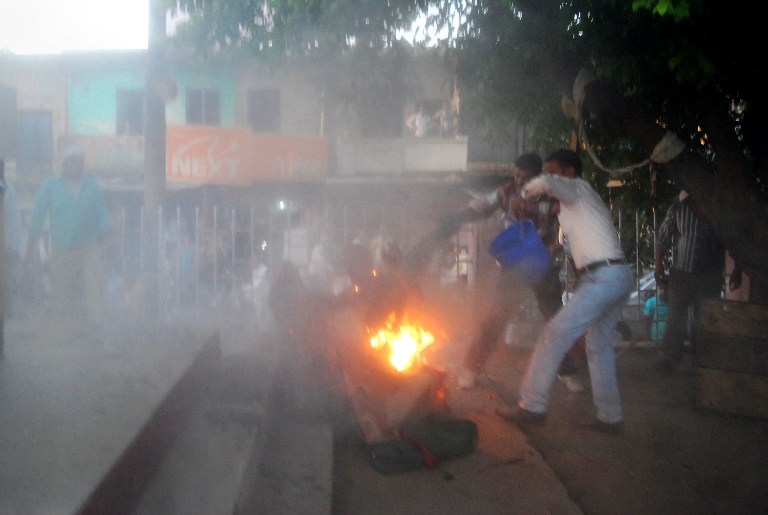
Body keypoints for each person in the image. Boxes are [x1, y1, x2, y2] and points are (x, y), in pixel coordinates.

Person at [499, 148, 634, 435]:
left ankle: (531, 406)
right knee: (599, 347)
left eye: (553, 171)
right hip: (614, 275)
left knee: (554, 334)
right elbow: (567, 245)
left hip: (604, 277)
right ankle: (610, 417)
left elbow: (547, 185)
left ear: (570, 173)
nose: (547, 177)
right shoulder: (573, 209)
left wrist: (524, 196)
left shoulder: (579, 188)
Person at [442, 153, 563, 389]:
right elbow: (482, 206)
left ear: (537, 178)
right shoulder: (507, 192)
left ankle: (569, 372)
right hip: (514, 265)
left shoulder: (552, 197)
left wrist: (555, 247)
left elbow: (566, 229)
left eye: (524, 177)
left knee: (556, 319)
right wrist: (457, 217)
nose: (518, 181)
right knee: (495, 317)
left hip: (541, 263)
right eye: (516, 175)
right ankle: (471, 369)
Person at [26, 145, 112, 339]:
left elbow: (102, 213)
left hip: (88, 245)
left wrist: (107, 234)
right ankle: (62, 330)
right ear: (64, 163)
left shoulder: (92, 186)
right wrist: (31, 243)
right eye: (72, 160)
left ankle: (96, 327)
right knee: (61, 290)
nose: (76, 164)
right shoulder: (50, 186)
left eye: (79, 160)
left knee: (93, 285)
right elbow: (38, 215)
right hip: (61, 246)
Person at [654, 190, 725, 374]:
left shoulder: (719, 211)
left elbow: (730, 240)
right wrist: (658, 266)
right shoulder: (678, 209)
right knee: (675, 317)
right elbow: (662, 238)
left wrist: (736, 271)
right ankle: (670, 359)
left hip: (710, 276)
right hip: (681, 275)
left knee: (705, 319)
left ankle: (703, 362)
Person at [644, 277, 669, 343]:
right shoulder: (651, 302)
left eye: (666, 288)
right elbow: (647, 322)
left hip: (673, 339)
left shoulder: (676, 302)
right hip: (656, 339)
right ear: (658, 288)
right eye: (661, 288)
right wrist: (647, 339)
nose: (664, 291)